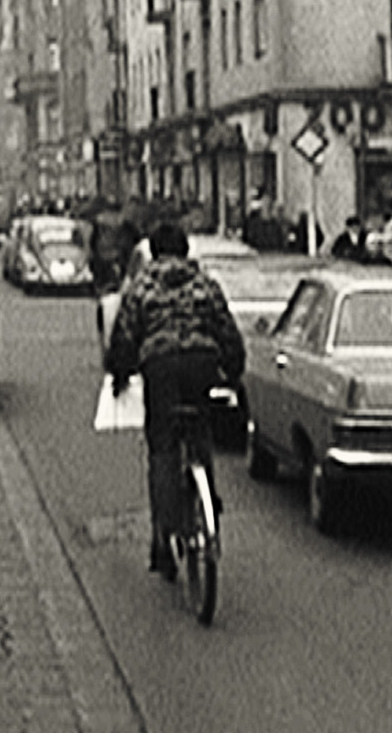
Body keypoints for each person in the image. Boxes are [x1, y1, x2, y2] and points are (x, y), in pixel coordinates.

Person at [103, 223, 247, 581]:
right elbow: (227, 331)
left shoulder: (142, 287)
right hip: (201, 363)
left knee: (162, 446)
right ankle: (208, 501)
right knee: (200, 429)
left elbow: (124, 336)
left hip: (161, 366)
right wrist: (233, 370)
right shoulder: (205, 285)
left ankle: (162, 539)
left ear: (153, 251)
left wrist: (120, 373)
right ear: (186, 252)